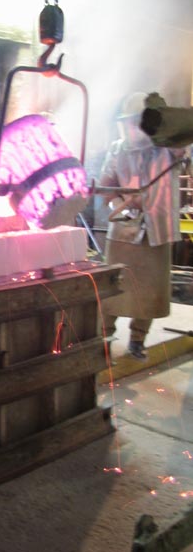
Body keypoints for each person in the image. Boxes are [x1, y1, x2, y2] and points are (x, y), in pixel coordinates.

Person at [100, 91, 184, 360]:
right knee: (113, 290)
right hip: (123, 232)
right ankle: (104, 338)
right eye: (129, 122)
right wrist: (121, 209)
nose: (133, 128)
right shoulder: (117, 149)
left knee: (149, 292)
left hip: (156, 230)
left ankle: (138, 339)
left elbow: (184, 141)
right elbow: (106, 187)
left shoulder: (168, 150)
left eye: (139, 122)